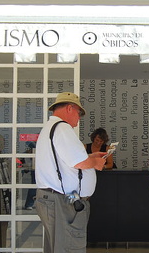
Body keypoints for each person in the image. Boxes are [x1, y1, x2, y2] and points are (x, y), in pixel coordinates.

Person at [35, 92, 106, 253]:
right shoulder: (62, 128)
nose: (79, 118)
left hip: (56, 197)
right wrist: (95, 162)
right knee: (69, 247)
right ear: (69, 108)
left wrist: (90, 157)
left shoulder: (50, 128)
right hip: (62, 201)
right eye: (79, 113)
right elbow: (79, 162)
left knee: (58, 247)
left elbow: (67, 161)